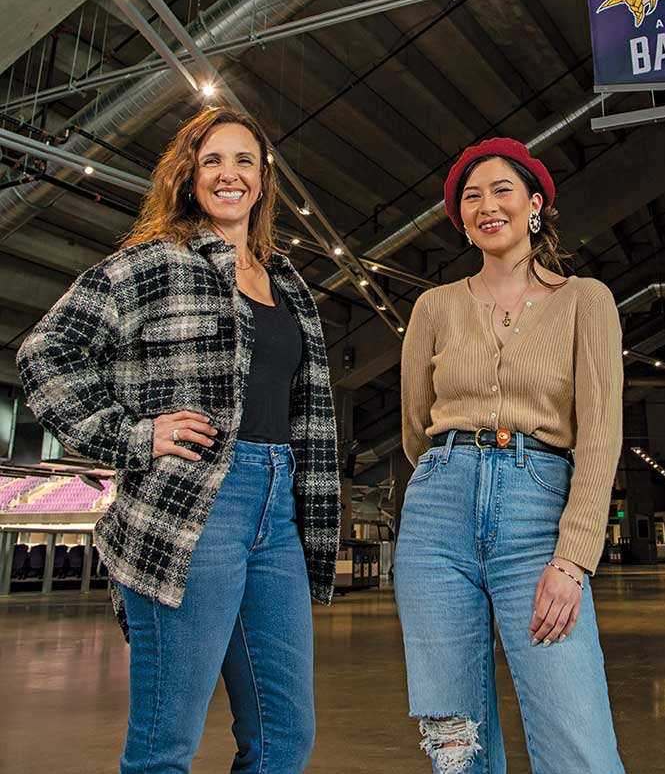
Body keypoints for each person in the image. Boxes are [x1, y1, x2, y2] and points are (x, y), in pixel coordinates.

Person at [17, 106, 339, 774]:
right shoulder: (151, 264)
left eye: (244, 160)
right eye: (213, 159)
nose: (230, 173)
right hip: (190, 511)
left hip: (277, 514)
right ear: (188, 174)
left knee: (286, 737)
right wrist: (135, 433)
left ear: (263, 177)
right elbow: (44, 354)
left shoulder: (290, 284)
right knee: (166, 747)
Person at [394, 137, 625, 773]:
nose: (486, 205)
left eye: (501, 191)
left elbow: (601, 436)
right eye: (471, 197)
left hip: (538, 514)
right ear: (461, 221)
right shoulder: (433, 308)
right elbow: (416, 428)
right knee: (456, 748)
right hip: (436, 520)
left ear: (534, 206)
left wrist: (574, 556)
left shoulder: (585, 300)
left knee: (577, 740)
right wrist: (453, 469)